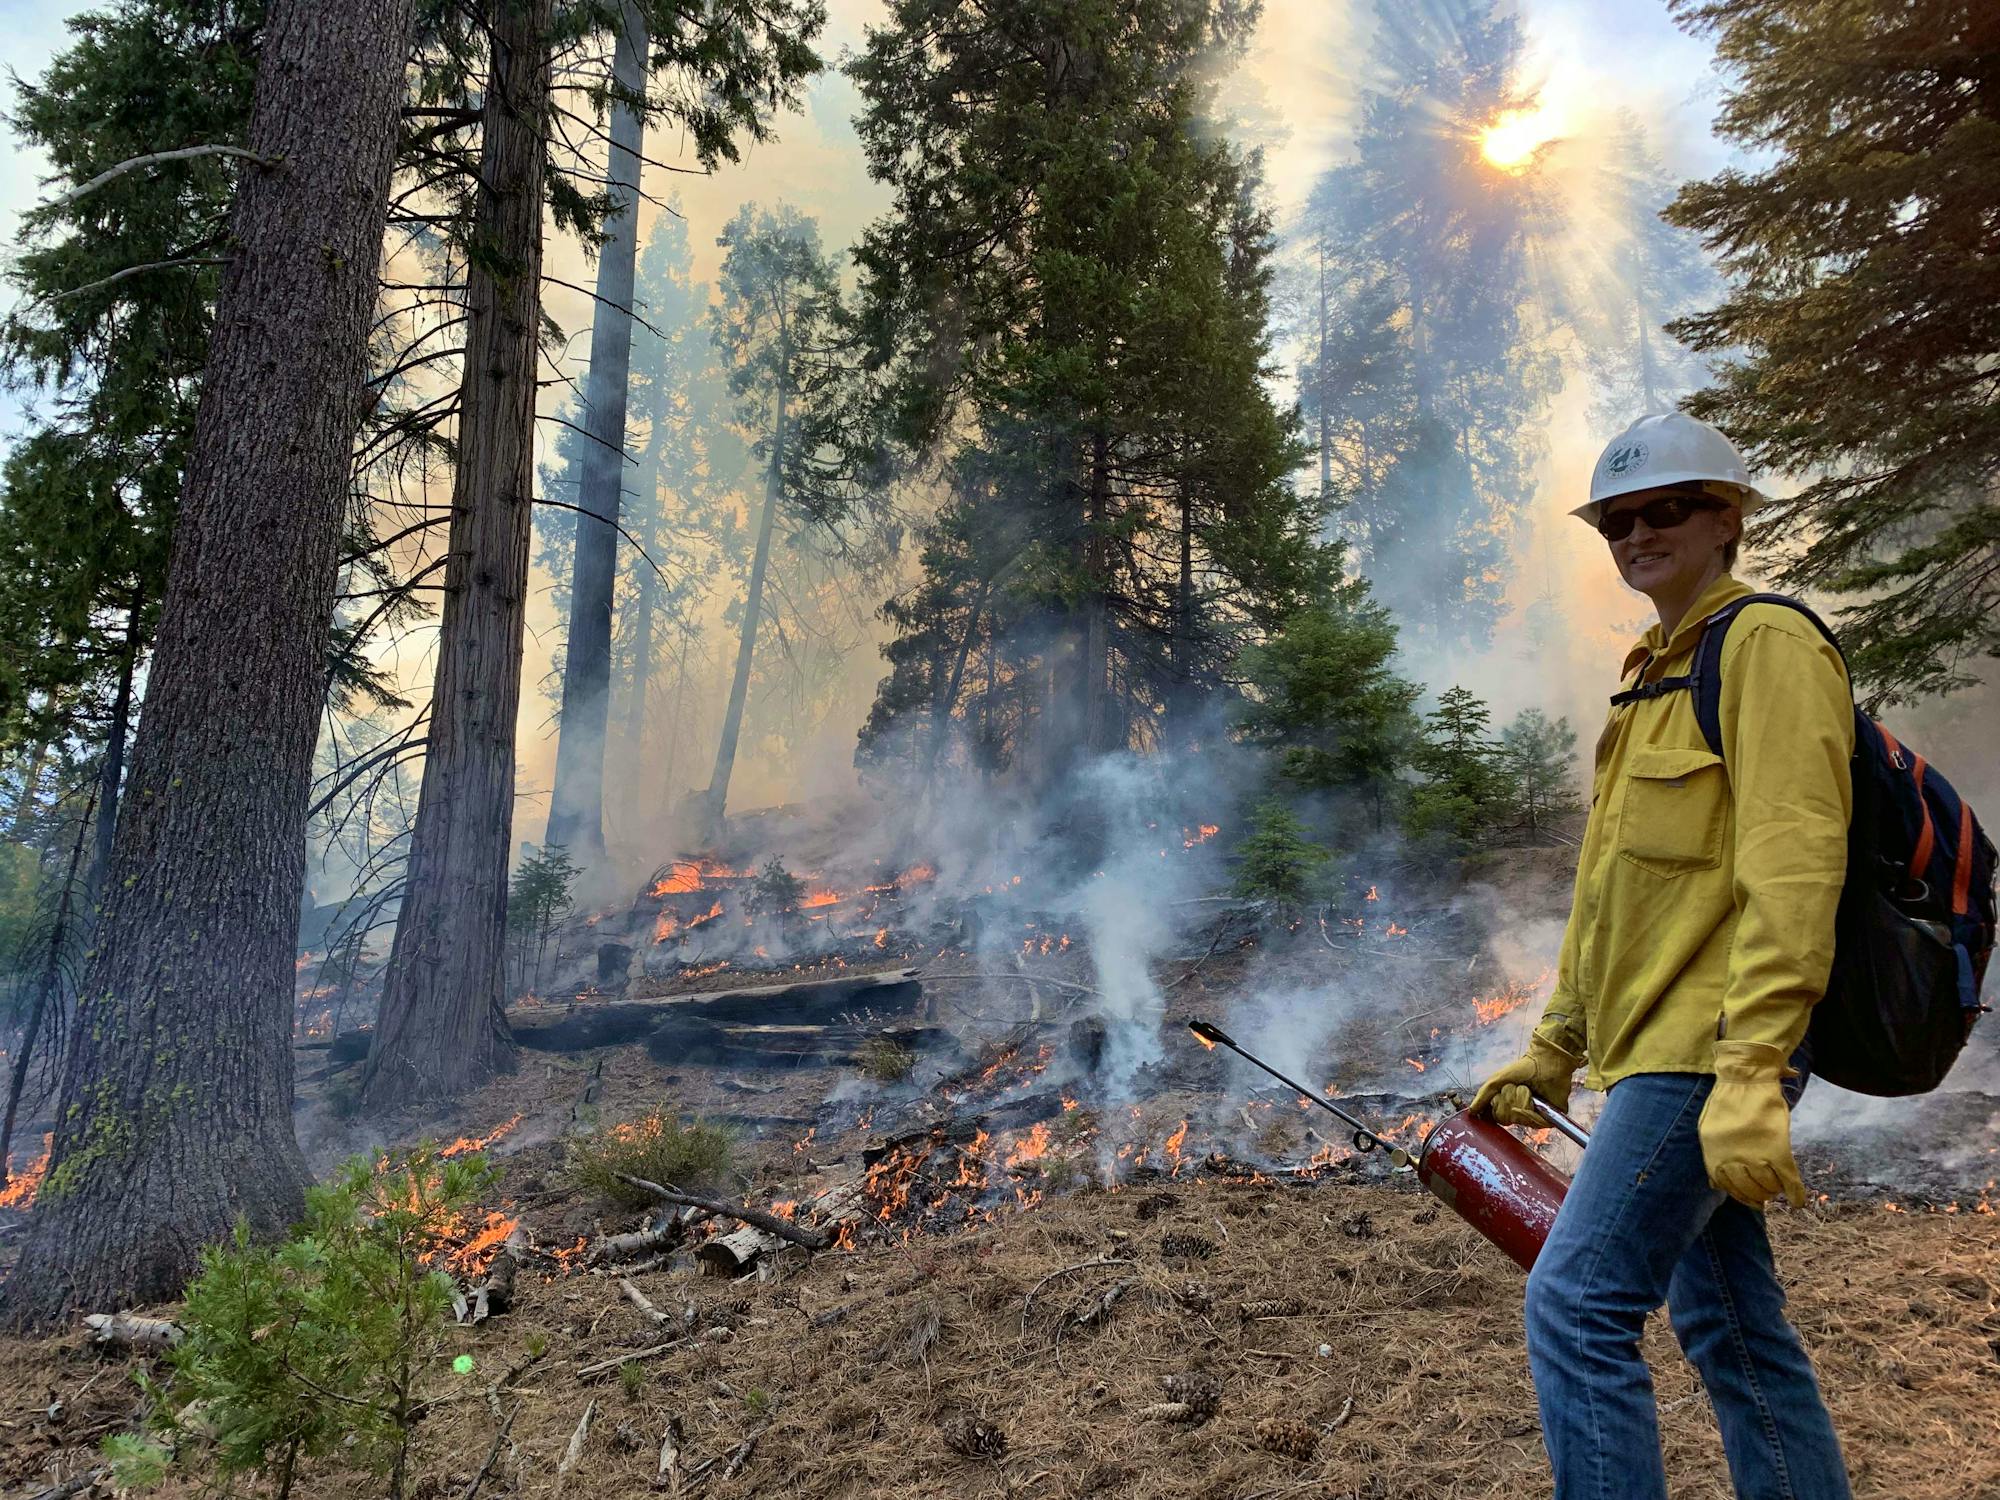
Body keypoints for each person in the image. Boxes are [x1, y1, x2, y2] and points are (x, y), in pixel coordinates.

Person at [1472, 412, 1853, 1500]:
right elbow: (1615, 896)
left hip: (1706, 1050)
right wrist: (1555, 1042)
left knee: (1575, 1302)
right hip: (1651, 1052)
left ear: (1725, 518)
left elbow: (1792, 869)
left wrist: (1750, 1070)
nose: (1636, 532)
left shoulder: (1765, 645)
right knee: (1731, 1328)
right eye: (1616, 520)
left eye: (1666, 509)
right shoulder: (1652, 671)